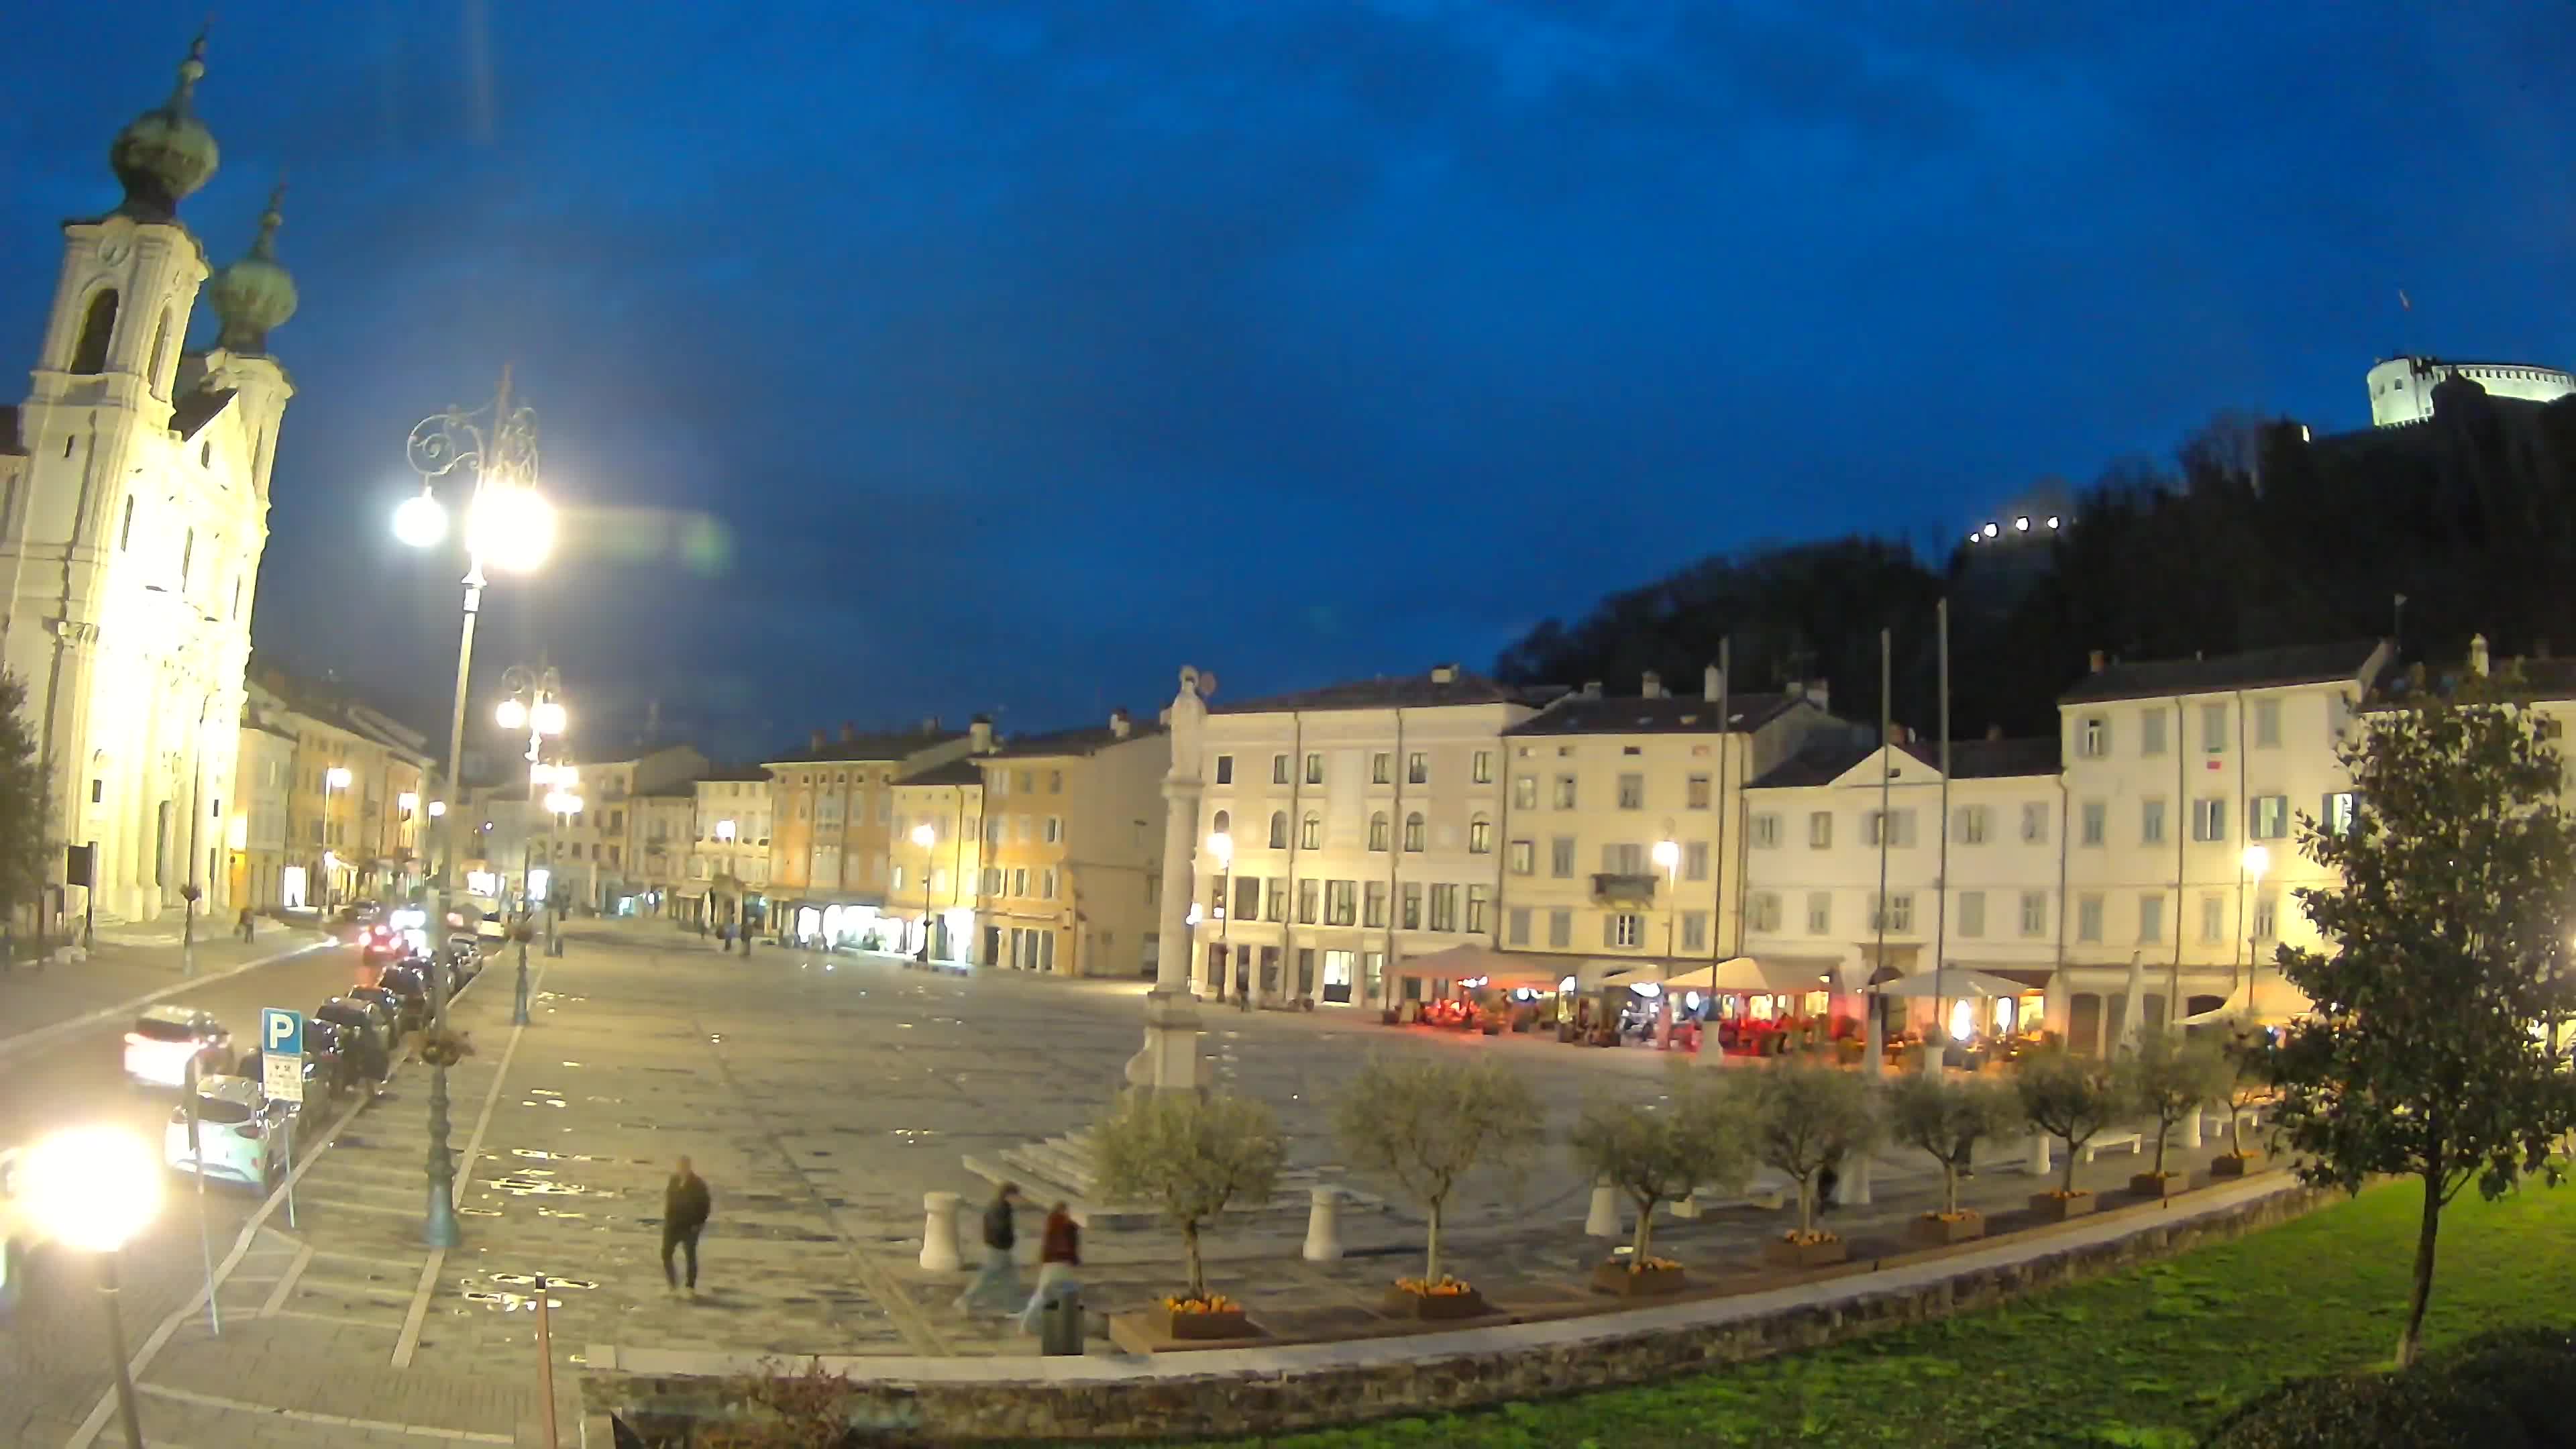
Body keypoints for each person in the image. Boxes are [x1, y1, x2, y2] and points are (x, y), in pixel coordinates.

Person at [953, 1183, 1022, 1315]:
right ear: (1010, 1195)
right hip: (999, 1248)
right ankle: (966, 1299)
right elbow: (999, 1229)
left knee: (1010, 1277)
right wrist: (1008, 1240)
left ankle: (1011, 1304)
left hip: (1000, 1247)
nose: (1018, 1200)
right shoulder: (1001, 1209)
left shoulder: (998, 1206)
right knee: (988, 1276)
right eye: (1016, 1196)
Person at [1014, 1201, 1081, 1335]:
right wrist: (1074, 1260)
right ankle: (1029, 1324)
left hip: (1050, 1265)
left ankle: (1027, 1322)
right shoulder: (1068, 1226)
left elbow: (1047, 1247)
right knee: (1062, 1294)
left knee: (1044, 1294)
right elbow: (1070, 1247)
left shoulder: (1051, 1225)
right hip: (1061, 1265)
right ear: (1064, 1211)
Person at [662, 1157, 713, 1296]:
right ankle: (673, 1285)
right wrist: (668, 1218)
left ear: (688, 1167)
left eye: (683, 1166)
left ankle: (690, 1287)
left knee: (690, 1255)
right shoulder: (674, 1180)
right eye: (679, 1166)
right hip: (673, 1225)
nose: (681, 1169)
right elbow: (670, 1199)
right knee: (666, 1254)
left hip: (690, 1226)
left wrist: (699, 1223)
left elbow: (705, 1205)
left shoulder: (698, 1184)